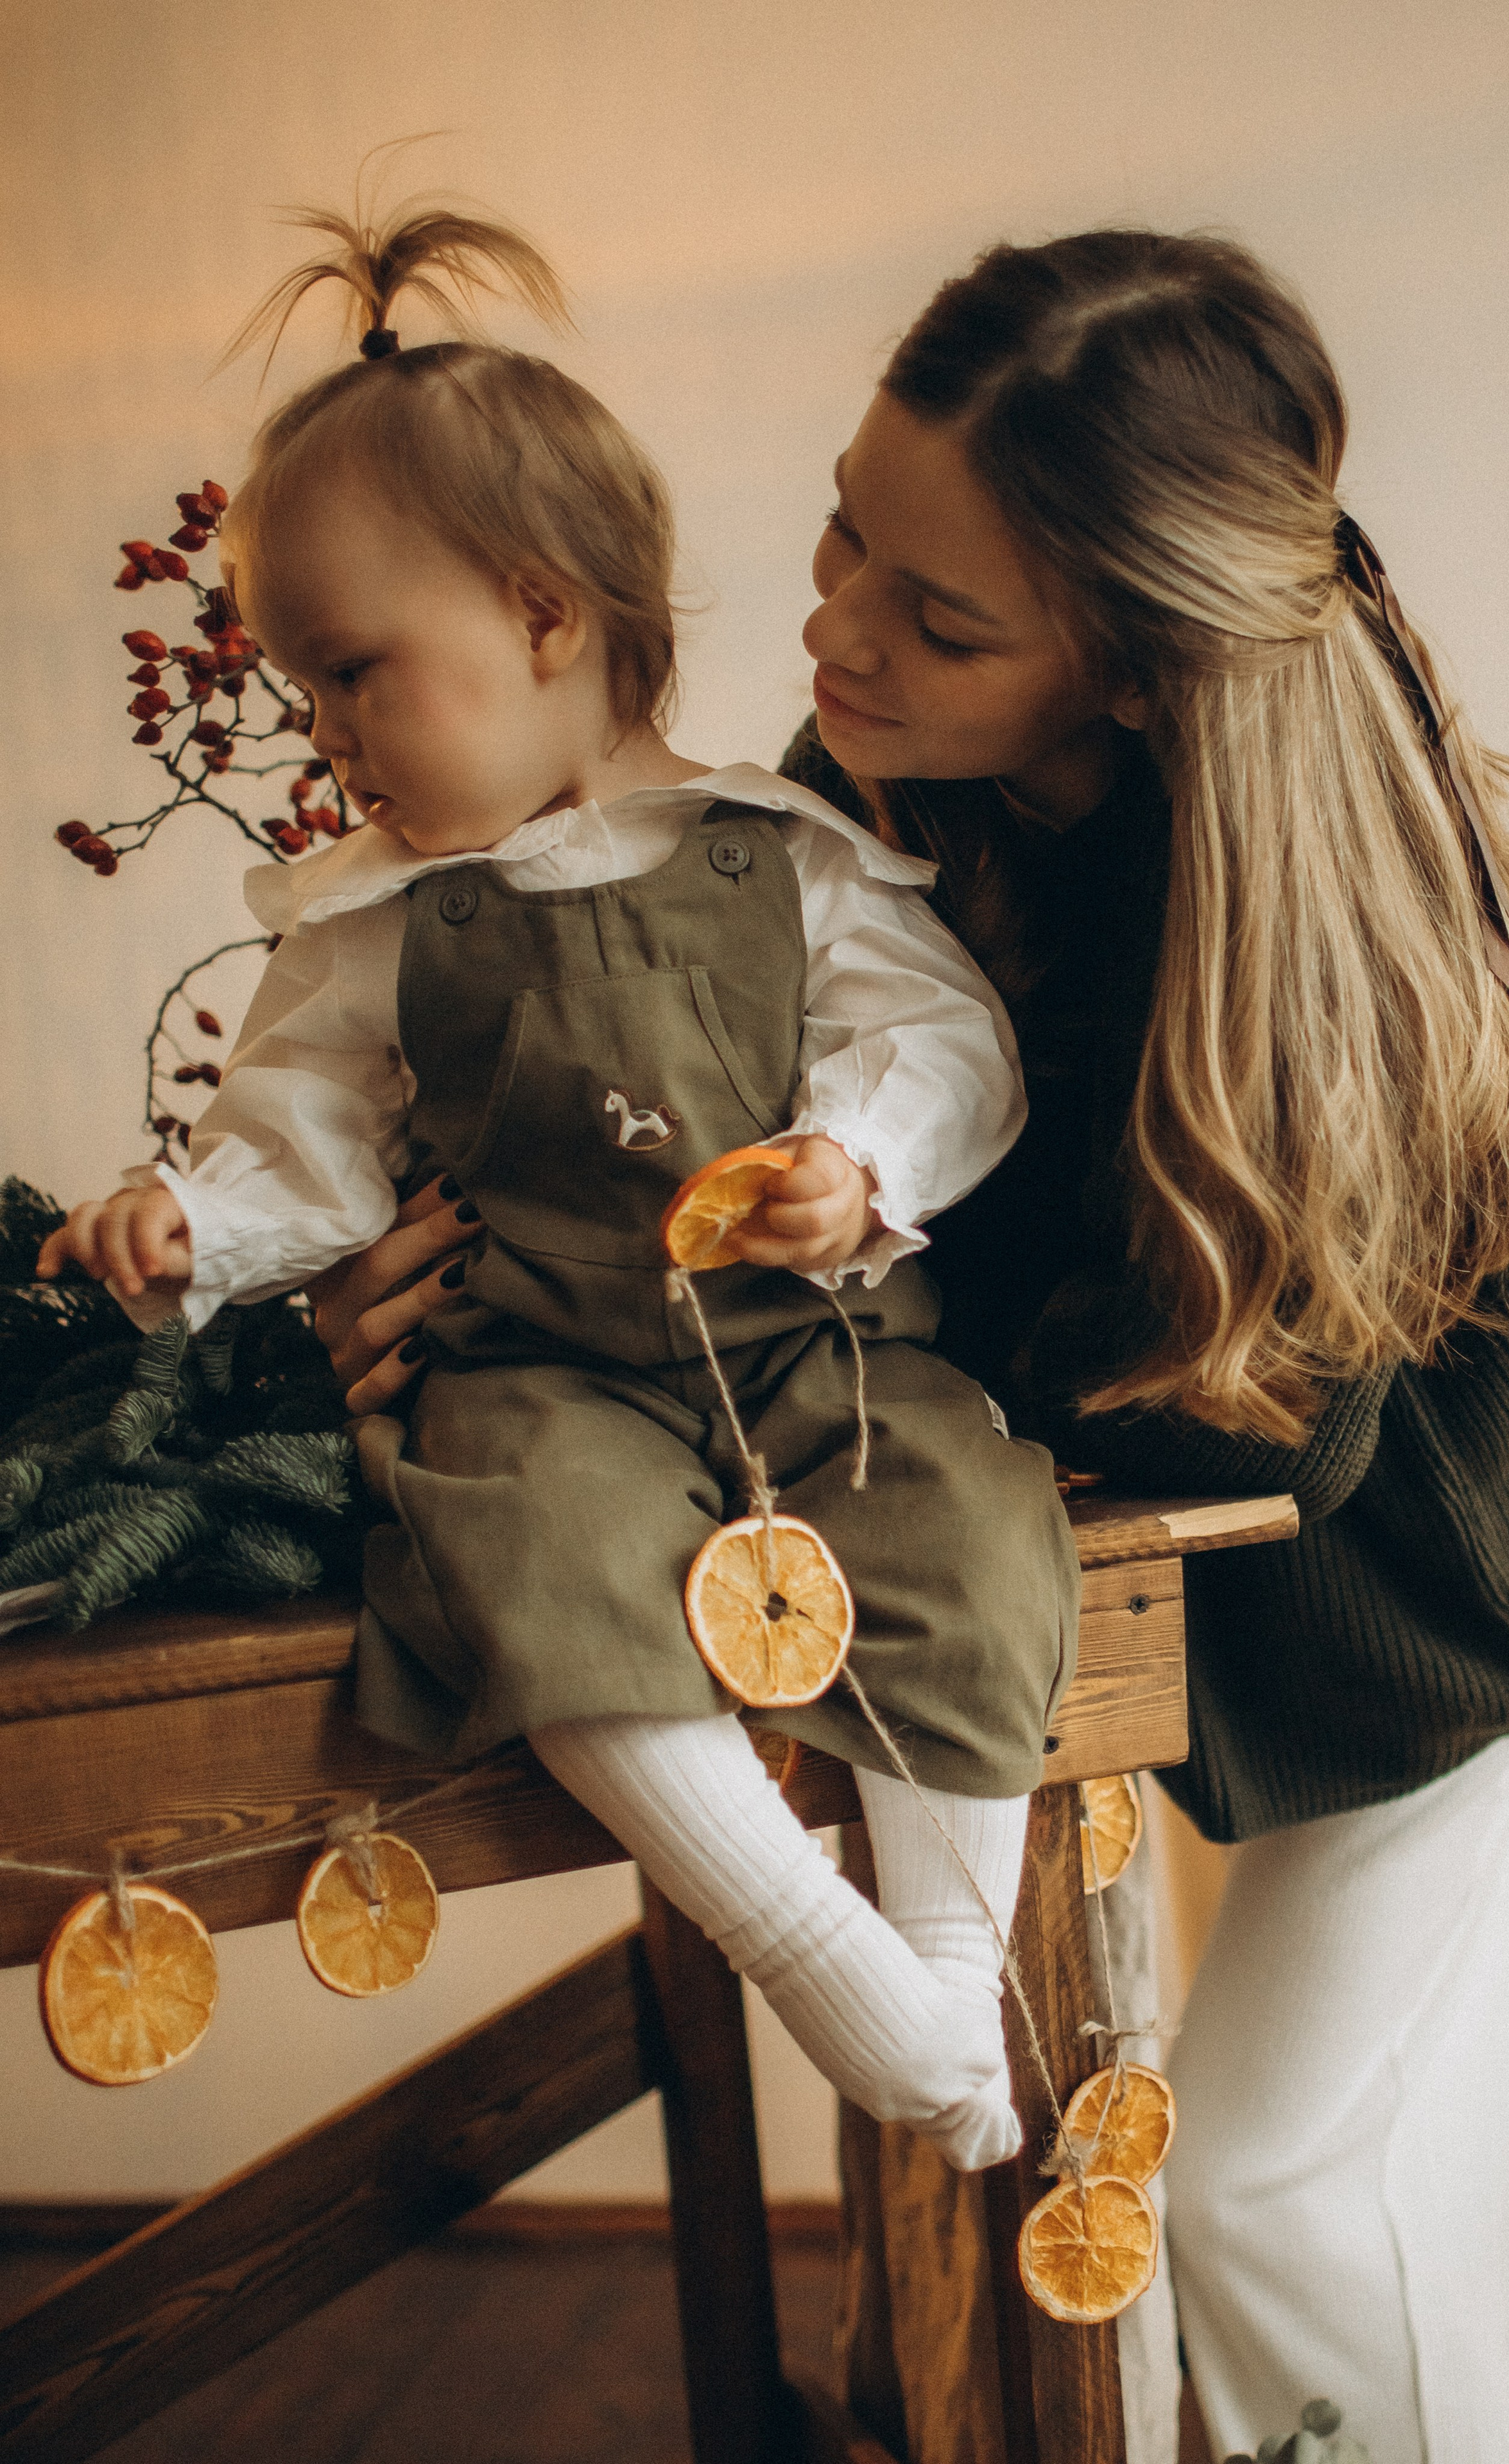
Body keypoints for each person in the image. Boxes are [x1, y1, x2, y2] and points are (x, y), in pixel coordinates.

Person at [322, 230, 1509, 2464]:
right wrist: (450, 1259)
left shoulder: (1330, 955)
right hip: (1139, 1493)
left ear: (1133, 675)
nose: (834, 627)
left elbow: (1239, 1435)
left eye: (939, 616)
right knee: (1243, 2175)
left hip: (1431, 1551)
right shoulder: (850, 791)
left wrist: (766, 1315)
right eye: (850, 524)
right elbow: (697, 1104)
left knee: (1290, 2179)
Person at [37, 204, 1085, 2180]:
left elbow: (953, 1046)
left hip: (819, 1355)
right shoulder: (374, 927)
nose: (326, 737)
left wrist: (854, 1164)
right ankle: (799, 1935)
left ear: (541, 616)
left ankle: (939, 1967)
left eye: (353, 674)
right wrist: (198, 1225)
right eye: (300, 692)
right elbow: (303, 1132)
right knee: (524, 1555)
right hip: (555, 1379)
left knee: (963, 1513)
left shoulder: (784, 854)